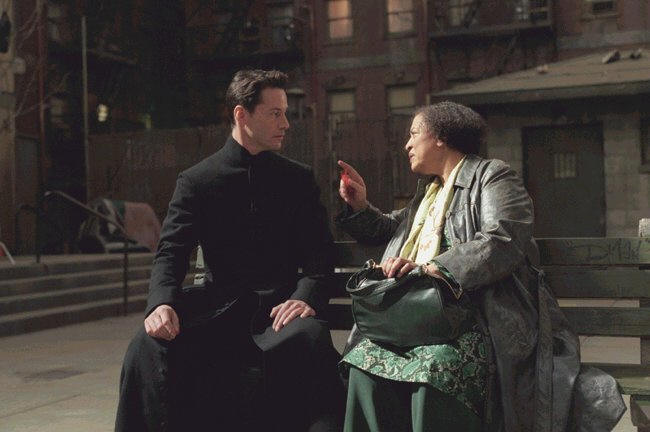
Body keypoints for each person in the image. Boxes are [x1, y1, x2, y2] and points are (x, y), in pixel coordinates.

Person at [336, 101, 625, 431]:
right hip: (422, 318)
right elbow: (393, 230)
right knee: (362, 365)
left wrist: (434, 267)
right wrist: (360, 205)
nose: (407, 144)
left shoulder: (493, 176)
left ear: (441, 137)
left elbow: (504, 237)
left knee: (434, 369)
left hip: (479, 319)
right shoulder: (430, 193)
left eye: (414, 134)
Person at [115, 69, 343, 432]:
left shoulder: (298, 180)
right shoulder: (197, 181)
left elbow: (320, 255)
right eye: (275, 113)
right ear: (242, 115)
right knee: (147, 343)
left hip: (278, 311)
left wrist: (305, 297)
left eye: (285, 113)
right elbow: (171, 252)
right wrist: (161, 304)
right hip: (218, 309)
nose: (286, 123)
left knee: (308, 337)